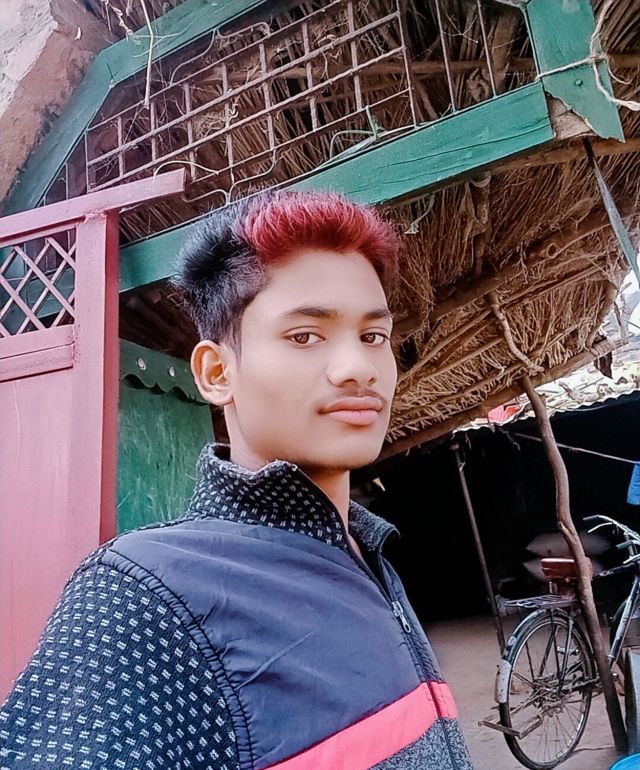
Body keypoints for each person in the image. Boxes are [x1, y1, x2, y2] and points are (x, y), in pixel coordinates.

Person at [0, 190, 473, 769]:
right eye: (305, 335)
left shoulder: (367, 551)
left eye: (373, 336)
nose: (358, 368)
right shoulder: (145, 597)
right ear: (217, 372)